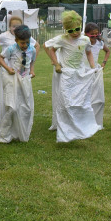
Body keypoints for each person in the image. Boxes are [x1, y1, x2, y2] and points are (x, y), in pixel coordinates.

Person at [44, 10, 99, 143]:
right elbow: (49, 47)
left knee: (80, 100)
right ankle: (64, 126)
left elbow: (89, 53)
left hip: (79, 73)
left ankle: (79, 124)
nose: (75, 33)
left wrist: (93, 67)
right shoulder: (62, 39)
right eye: (71, 30)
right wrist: (56, 63)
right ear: (66, 30)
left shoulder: (85, 39)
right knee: (65, 100)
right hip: (66, 74)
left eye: (77, 29)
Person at [0, 24, 37, 143]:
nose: (25, 45)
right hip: (13, 80)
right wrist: (8, 68)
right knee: (12, 107)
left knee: (25, 107)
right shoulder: (11, 49)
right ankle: (5, 134)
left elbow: (32, 61)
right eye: (22, 43)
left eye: (27, 42)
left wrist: (32, 70)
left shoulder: (32, 49)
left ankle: (21, 132)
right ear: (16, 40)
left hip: (25, 81)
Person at [85, 22, 110, 129]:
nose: (94, 37)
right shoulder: (83, 43)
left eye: (96, 34)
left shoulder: (99, 43)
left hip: (95, 71)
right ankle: (84, 119)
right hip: (84, 71)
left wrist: (104, 63)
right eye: (92, 35)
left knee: (96, 96)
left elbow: (107, 51)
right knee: (85, 96)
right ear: (86, 34)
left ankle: (95, 120)